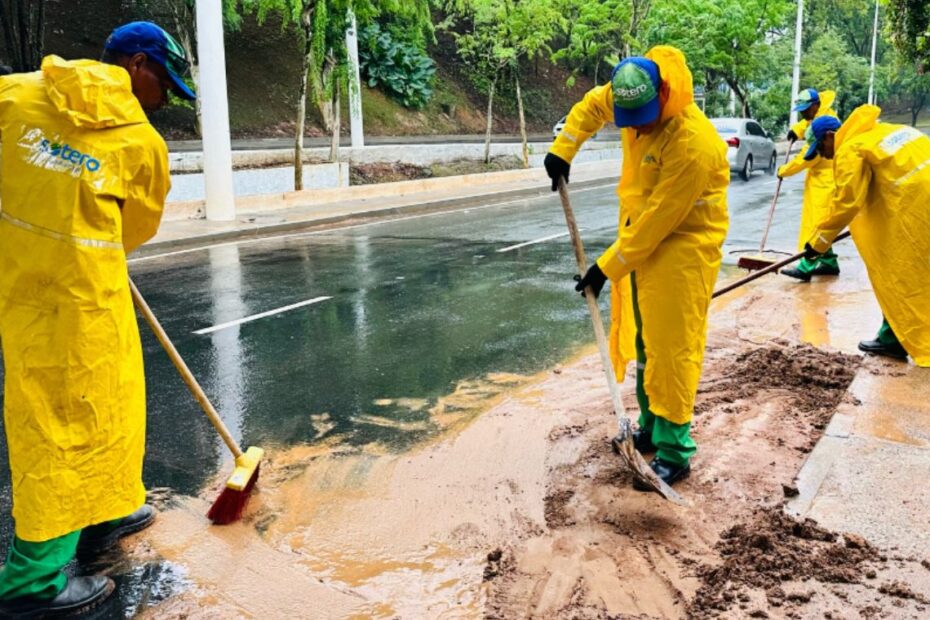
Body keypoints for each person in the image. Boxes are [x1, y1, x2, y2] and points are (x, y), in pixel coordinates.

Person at [0, 21, 194, 615]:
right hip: (77, 304)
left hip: (41, 291)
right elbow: (138, 227)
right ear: (138, 65)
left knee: (110, 408)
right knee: (58, 428)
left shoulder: (15, 95)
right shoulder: (140, 145)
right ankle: (32, 585)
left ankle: (104, 512)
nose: (167, 99)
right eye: (166, 83)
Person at [544, 46, 729, 488]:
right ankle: (650, 425)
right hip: (638, 236)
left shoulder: (693, 143)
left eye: (646, 115)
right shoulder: (628, 90)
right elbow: (591, 106)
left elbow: (658, 221)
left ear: (664, 94)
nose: (639, 126)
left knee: (672, 347)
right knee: (644, 340)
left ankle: (675, 449)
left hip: (684, 242)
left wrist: (605, 268)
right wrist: (564, 147)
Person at [803, 106, 930, 366]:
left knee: (897, 274)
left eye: (821, 148)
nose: (825, 156)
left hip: (912, 207)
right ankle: (891, 334)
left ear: (830, 136)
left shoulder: (851, 147)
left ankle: (894, 339)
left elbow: (846, 202)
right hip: (919, 201)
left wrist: (818, 244)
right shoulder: (890, 130)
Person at [780, 87, 842, 282]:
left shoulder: (824, 128)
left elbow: (807, 158)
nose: (803, 113)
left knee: (818, 225)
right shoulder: (819, 116)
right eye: (801, 109)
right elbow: (806, 123)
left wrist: (784, 171)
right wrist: (795, 131)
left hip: (827, 182)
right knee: (820, 221)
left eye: (806, 109)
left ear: (816, 105)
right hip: (818, 180)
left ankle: (806, 267)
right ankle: (830, 263)